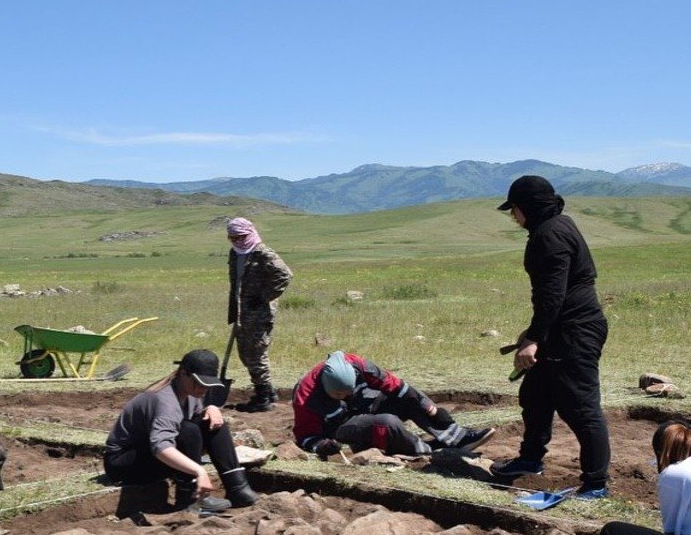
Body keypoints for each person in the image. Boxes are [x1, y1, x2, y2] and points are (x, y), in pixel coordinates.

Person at [491, 175, 611, 498]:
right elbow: (552, 297)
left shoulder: (550, 236)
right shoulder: (557, 226)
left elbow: (553, 297)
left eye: (514, 210)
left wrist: (533, 339)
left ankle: (596, 484)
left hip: (575, 331)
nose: (513, 217)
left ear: (526, 207)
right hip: (563, 327)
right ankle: (530, 460)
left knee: (581, 406)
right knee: (536, 393)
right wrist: (532, 332)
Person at [104, 349, 259, 512]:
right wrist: (198, 471)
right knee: (188, 431)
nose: (203, 388)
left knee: (214, 424)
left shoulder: (189, 392)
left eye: (208, 383)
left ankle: (237, 488)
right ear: (183, 373)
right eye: (199, 382)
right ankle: (189, 498)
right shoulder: (165, 401)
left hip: (149, 456)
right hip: (123, 464)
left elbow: (195, 418)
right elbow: (160, 447)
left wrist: (211, 408)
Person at [292, 351, 495, 457]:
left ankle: (457, 438)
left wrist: (430, 408)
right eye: (338, 394)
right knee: (387, 423)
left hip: (363, 407)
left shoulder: (357, 364)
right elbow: (305, 436)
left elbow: (396, 385)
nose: (344, 395)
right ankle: (427, 450)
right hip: (340, 427)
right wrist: (322, 447)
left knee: (408, 399)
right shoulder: (305, 396)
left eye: (349, 390)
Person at [225, 217, 293, 412]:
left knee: (256, 352)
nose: (237, 241)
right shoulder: (235, 253)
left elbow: (285, 275)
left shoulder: (262, 252)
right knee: (245, 353)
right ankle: (268, 391)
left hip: (259, 312)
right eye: (232, 238)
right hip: (240, 311)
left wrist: (264, 297)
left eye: (241, 237)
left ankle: (262, 397)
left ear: (250, 233)